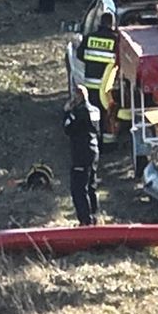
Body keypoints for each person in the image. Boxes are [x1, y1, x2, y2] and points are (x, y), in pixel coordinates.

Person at [62, 84, 101, 226]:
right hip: (94, 150)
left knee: (78, 188)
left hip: (81, 152)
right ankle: (95, 216)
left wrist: (67, 112)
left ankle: (85, 220)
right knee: (91, 185)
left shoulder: (78, 112)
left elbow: (68, 129)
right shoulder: (95, 110)